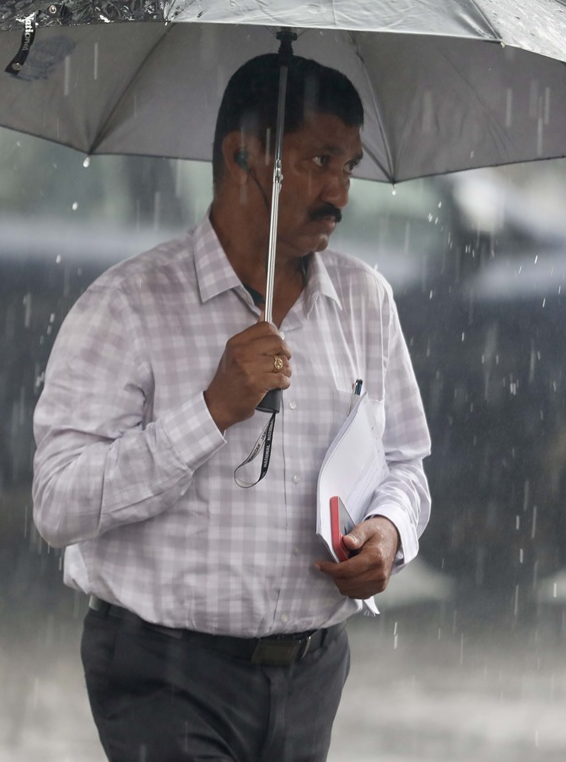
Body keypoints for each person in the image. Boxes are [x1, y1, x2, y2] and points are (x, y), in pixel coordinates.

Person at [31, 52, 432, 762]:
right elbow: (57, 503)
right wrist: (211, 410)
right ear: (244, 156)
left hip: (311, 671)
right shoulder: (128, 305)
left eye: (350, 166)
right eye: (319, 161)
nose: (340, 191)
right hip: (164, 674)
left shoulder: (366, 302)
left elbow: (405, 464)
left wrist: (389, 534)